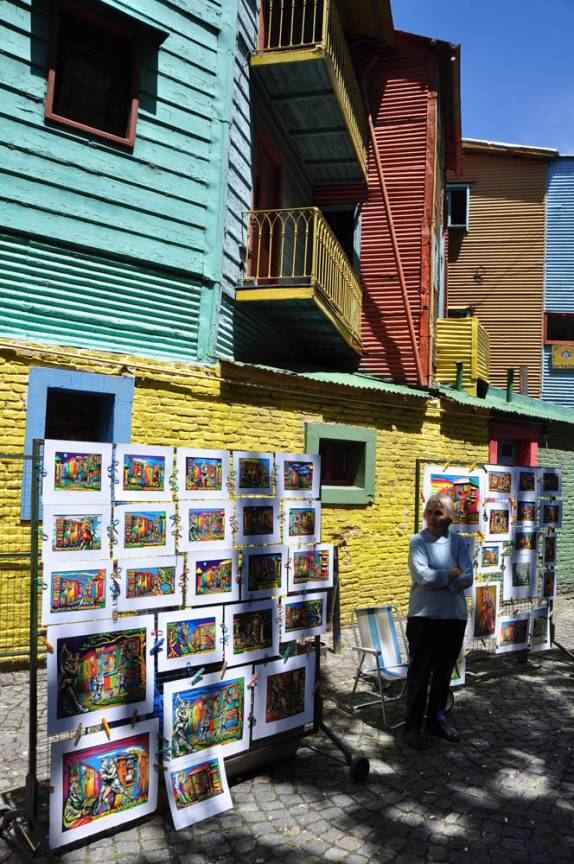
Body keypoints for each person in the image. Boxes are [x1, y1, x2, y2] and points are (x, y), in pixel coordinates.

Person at [404, 494, 473, 748]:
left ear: (450, 517)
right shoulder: (418, 541)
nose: (432, 517)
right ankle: (412, 725)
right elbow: (423, 577)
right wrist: (451, 574)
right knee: (420, 673)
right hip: (424, 618)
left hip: (454, 618)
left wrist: (445, 580)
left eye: (438, 512)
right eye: (429, 512)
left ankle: (436, 721)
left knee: (444, 673)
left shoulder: (459, 542)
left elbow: (468, 577)